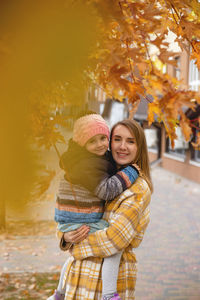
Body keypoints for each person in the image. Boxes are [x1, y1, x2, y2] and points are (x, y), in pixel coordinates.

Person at [58, 119, 153, 300]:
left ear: (139, 147)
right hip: (78, 279)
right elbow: (73, 215)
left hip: (107, 281)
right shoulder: (98, 175)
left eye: (131, 141)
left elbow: (114, 240)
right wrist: (65, 237)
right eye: (117, 139)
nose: (122, 146)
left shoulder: (138, 189)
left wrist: (74, 248)